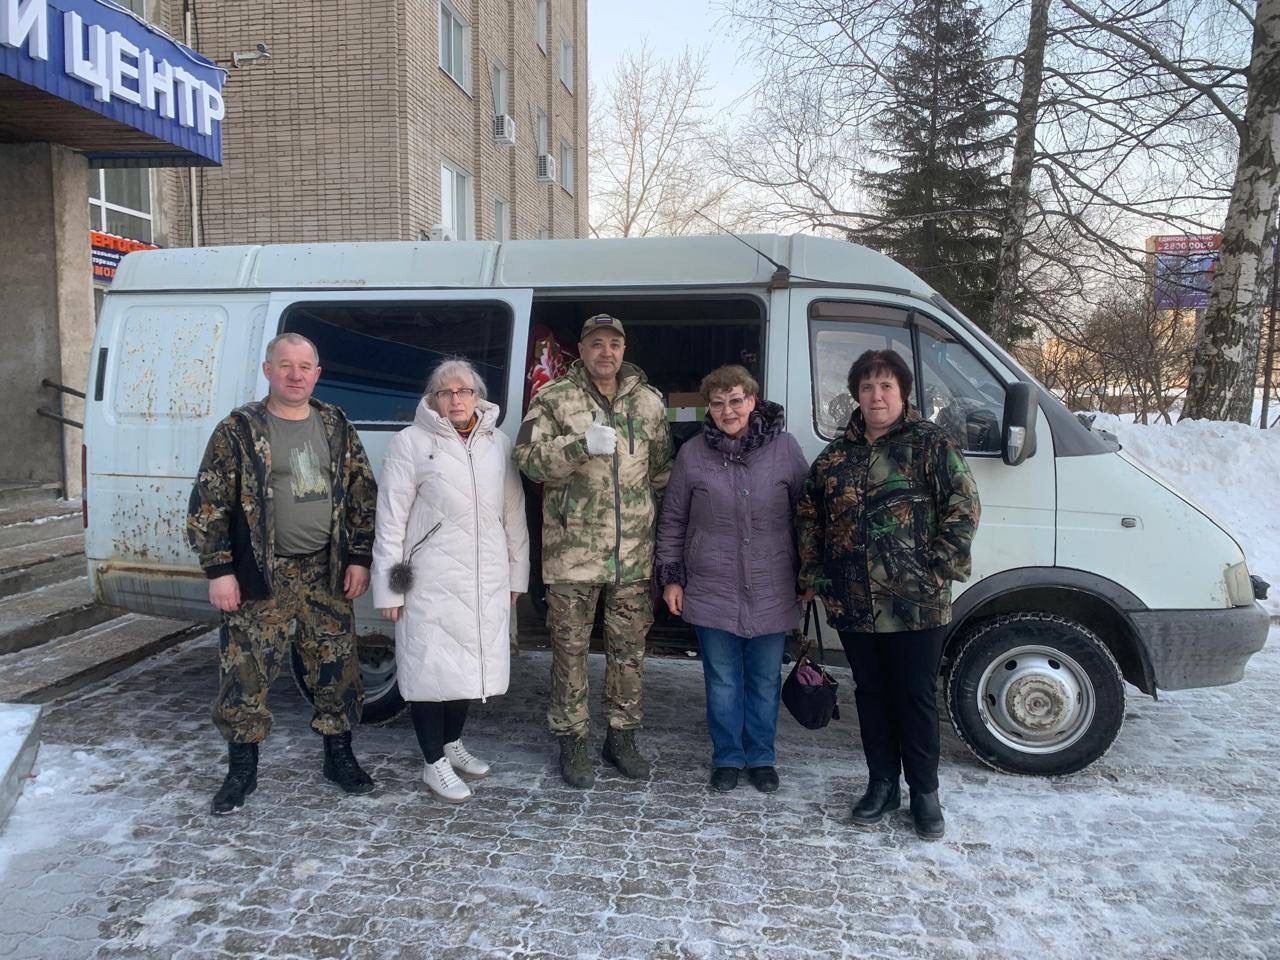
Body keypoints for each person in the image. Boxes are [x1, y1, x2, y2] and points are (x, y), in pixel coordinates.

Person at [187, 331, 378, 816]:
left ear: (318, 373)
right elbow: (209, 502)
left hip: (325, 571)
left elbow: (362, 494)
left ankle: (339, 758)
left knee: (336, 668)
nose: (296, 375)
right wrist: (219, 570)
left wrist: (359, 557)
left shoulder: (335, 424)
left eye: (305, 366)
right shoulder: (239, 430)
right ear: (268, 370)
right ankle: (241, 771)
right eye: (286, 365)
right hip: (261, 574)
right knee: (245, 672)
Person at [796, 349, 979, 840]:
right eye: (867, 387)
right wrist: (815, 571)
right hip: (854, 601)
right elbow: (810, 514)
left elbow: (964, 505)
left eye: (886, 386)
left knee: (915, 696)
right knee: (872, 695)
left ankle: (924, 792)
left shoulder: (931, 445)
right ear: (856, 395)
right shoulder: (836, 457)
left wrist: (937, 565)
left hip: (915, 602)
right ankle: (881, 785)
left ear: (903, 393)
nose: (876, 396)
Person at [514, 314, 673, 788]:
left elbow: (661, 473)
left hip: (632, 556)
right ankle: (573, 741)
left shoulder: (648, 401)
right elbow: (527, 459)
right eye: (597, 343)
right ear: (581, 350)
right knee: (570, 653)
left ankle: (621, 738)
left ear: (624, 350)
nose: (606, 352)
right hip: (573, 554)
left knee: (629, 652)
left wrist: (658, 532)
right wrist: (579, 445)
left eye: (614, 344)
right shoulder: (553, 398)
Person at [370, 359, 530, 803]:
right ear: (433, 399)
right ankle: (432, 761)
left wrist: (517, 573)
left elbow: (513, 513)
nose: (456, 400)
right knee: (428, 668)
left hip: (484, 576)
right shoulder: (410, 443)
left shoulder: (497, 443)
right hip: (429, 579)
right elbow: (391, 520)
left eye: (464, 391)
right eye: (446, 392)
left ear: (477, 396)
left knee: (466, 665)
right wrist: (390, 588)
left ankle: (452, 743)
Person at [655, 365, 809, 794]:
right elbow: (673, 519)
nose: (728, 411)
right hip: (711, 585)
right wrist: (671, 578)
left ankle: (761, 756)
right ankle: (727, 756)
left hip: (773, 584)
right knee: (722, 680)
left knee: (764, 678)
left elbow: (808, 516)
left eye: (736, 400)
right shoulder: (693, 454)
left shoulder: (784, 448)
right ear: (709, 407)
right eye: (718, 403)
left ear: (753, 401)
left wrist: (809, 572)